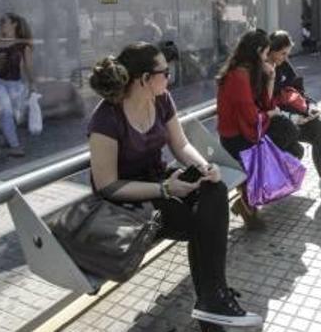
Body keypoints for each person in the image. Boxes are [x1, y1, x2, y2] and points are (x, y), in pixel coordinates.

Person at [87, 42, 262, 329]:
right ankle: (212, 301)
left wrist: (203, 168)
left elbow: (181, 145)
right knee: (199, 222)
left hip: (159, 180)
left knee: (213, 188)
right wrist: (165, 190)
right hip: (127, 200)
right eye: (164, 72)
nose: (169, 77)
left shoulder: (162, 99)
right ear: (144, 79)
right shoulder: (106, 117)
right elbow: (107, 186)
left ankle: (211, 301)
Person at [216, 29, 304, 229]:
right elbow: (252, 115)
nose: (267, 56)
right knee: (286, 140)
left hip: (248, 130)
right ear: (257, 51)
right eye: (266, 52)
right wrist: (270, 115)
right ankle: (248, 202)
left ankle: (248, 201)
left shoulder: (250, 71)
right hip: (237, 136)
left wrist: (271, 77)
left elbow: (265, 103)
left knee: (293, 147)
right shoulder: (238, 75)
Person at [267, 30, 321, 203]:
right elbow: (265, 106)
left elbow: (298, 90)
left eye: (287, 54)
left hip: (292, 119)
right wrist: (291, 118)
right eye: (282, 53)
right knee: (299, 145)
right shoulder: (263, 70)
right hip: (274, 125)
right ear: (271, 50)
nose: (285, 57)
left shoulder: (282, 65)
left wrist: (310, 107)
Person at [0, 12, 35, 157]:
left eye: (4, 21)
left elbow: (28, 67)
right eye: (0, 22)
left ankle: (7, 137)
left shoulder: (23, 46)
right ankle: (15, 146)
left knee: (16, 114)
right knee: (6, 111)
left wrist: (32, 83)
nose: (1, 24)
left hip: (15, 83)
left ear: (14, 24)